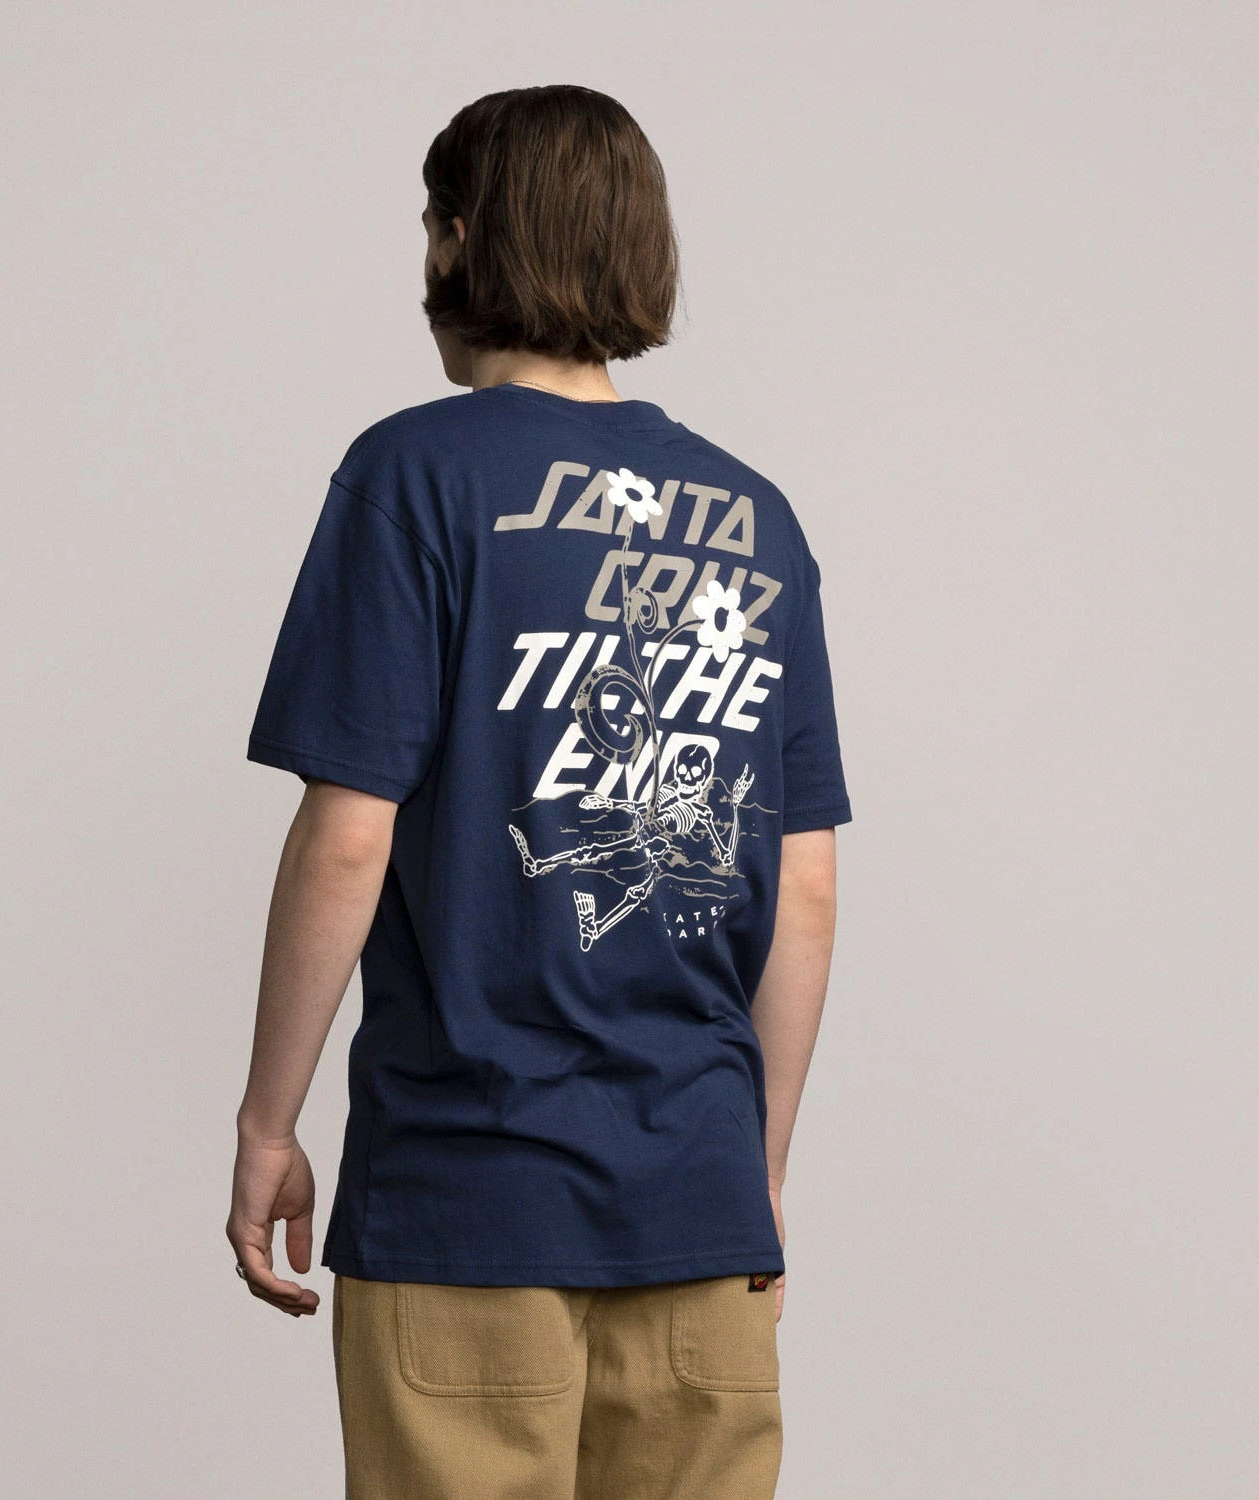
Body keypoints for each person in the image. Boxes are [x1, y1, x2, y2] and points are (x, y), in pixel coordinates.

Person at [226, 84, 851, 1500]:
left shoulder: (416, 476)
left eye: (429, 229)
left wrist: (269, 1126)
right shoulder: (757, 522)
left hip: (468, 1198)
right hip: (700, 1215)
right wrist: (748, 1182)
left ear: (463, 238)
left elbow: (348, 838)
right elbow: (804, 882)